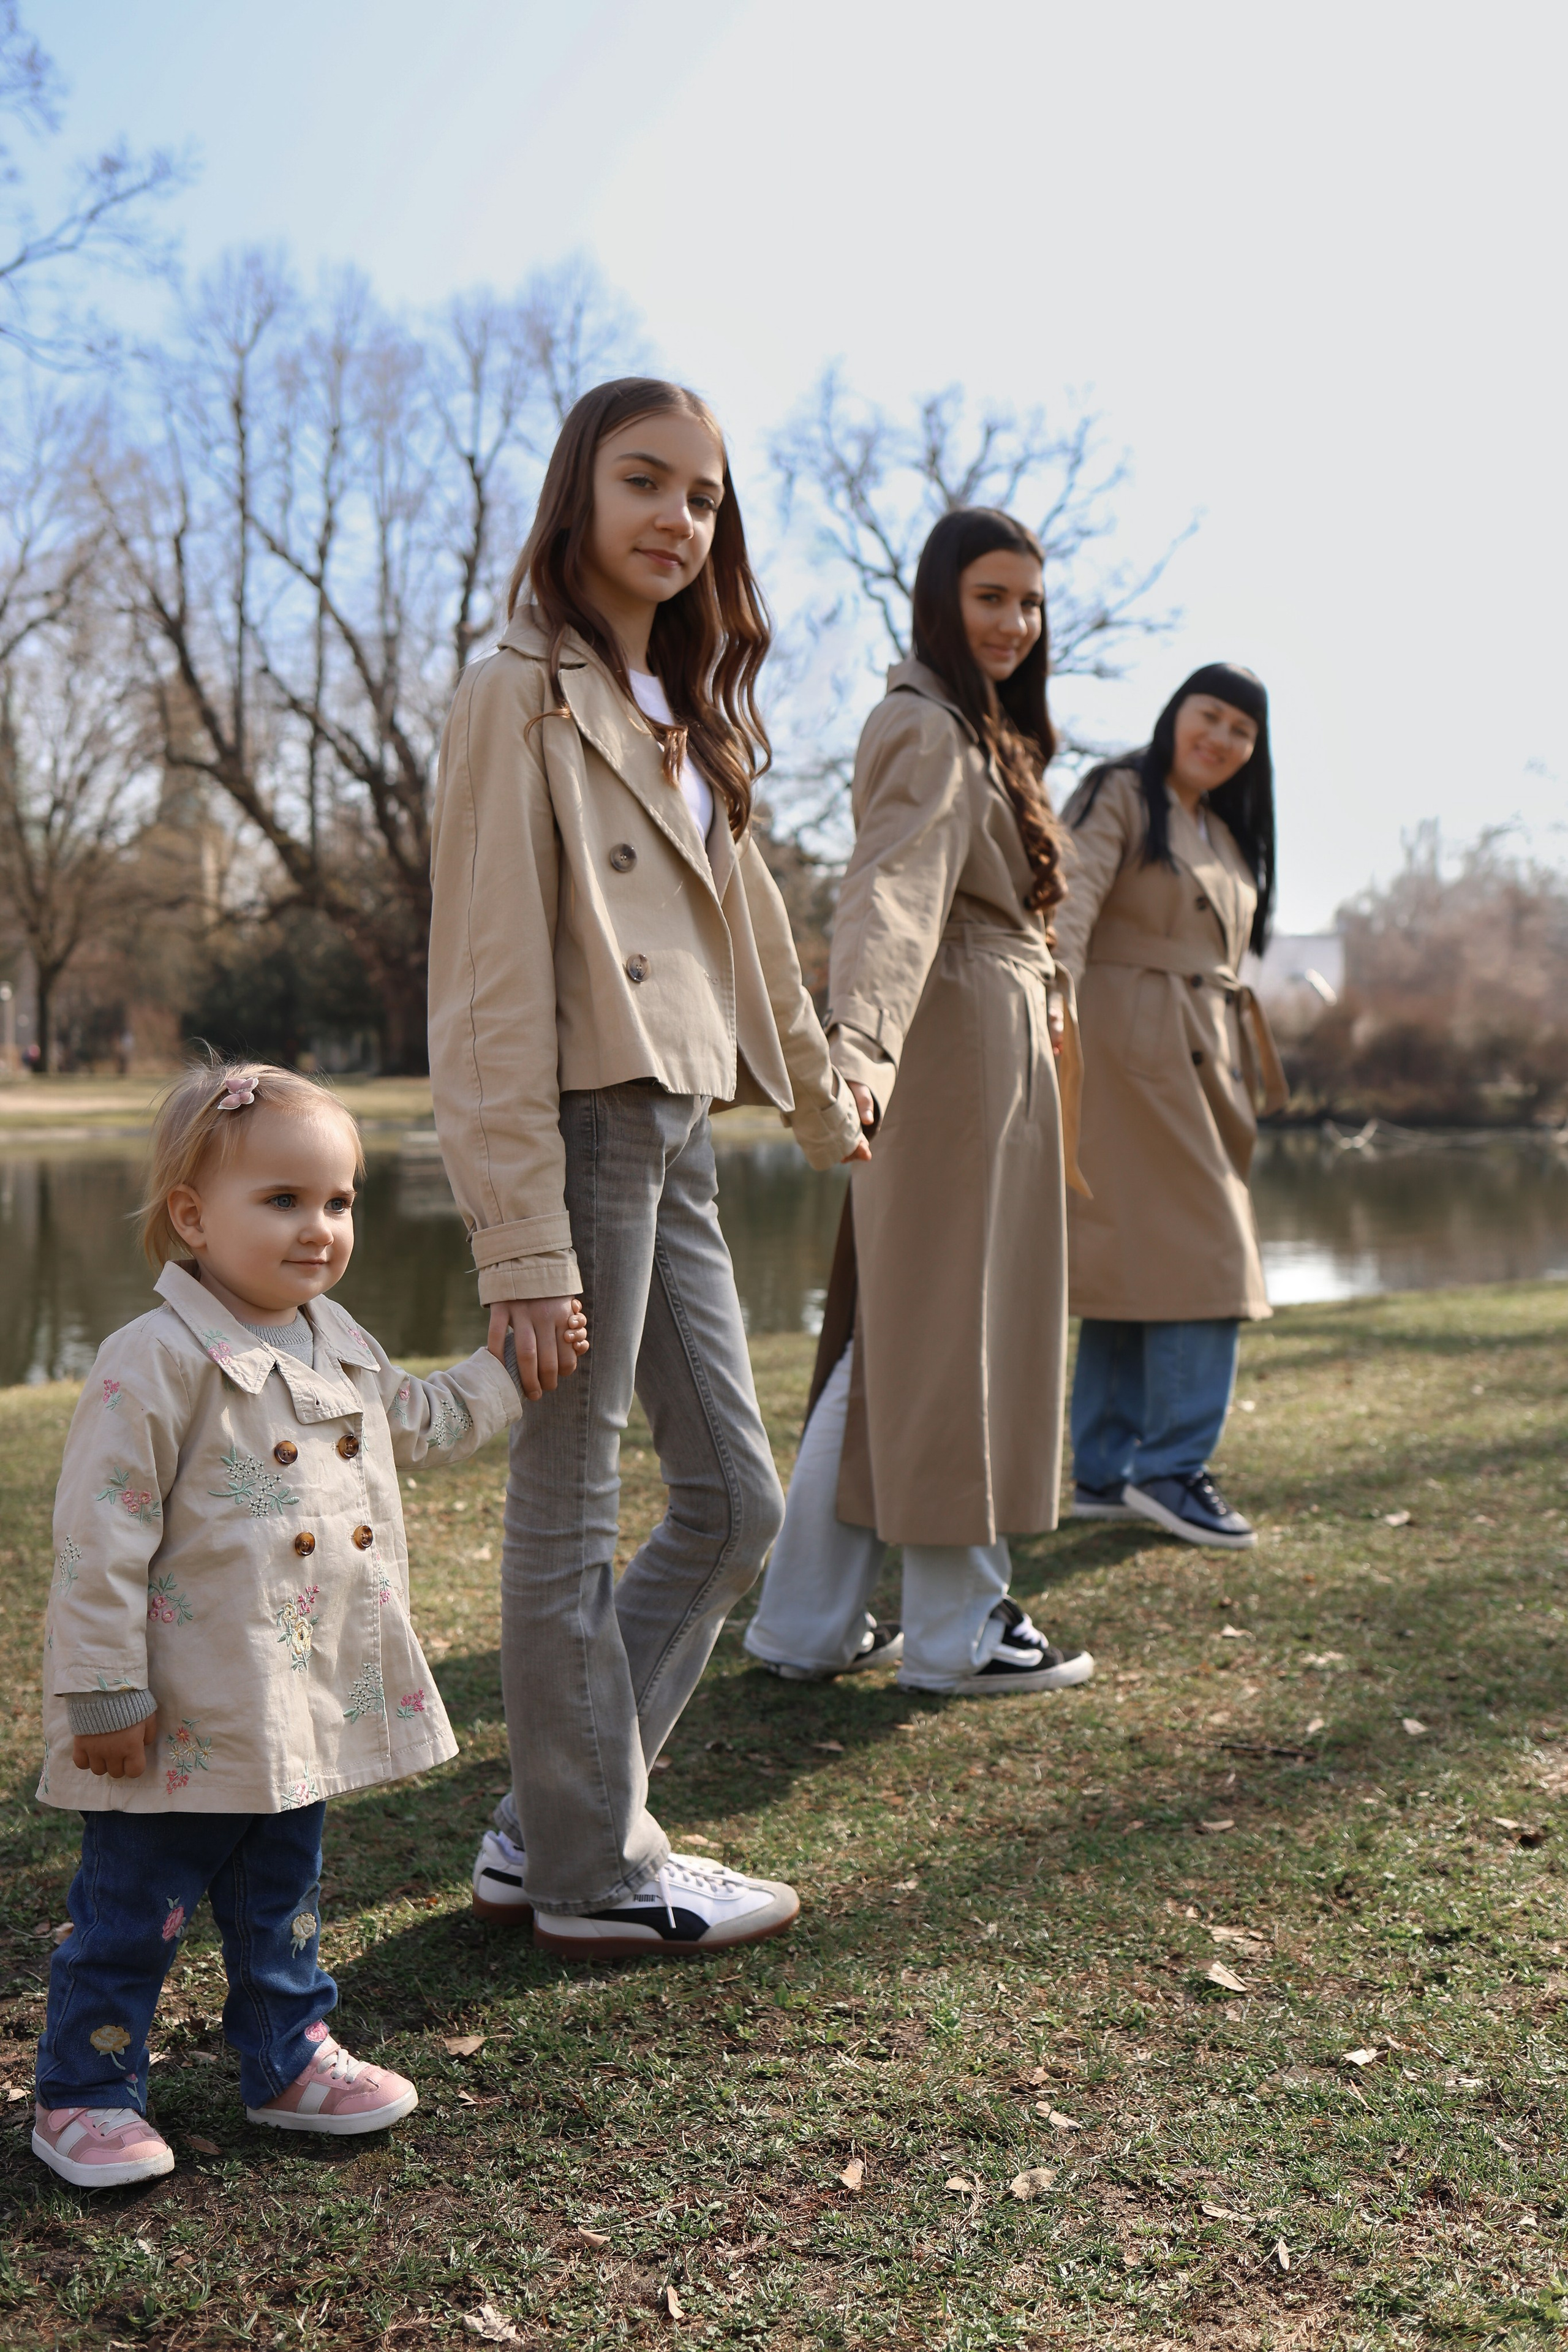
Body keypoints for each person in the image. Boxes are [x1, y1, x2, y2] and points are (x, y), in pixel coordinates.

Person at [427, 377, 867, 1958]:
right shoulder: (517, 694)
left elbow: (750, 941)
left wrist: (822, 1107)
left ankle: (544, 1813)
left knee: (739, 1501)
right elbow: (482, 988)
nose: (677, 519)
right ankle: (591, 1871)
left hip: (680, 1125)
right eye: (646, 482)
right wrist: (518, 1249)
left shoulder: (684, 711)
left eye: (704, 498)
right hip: (586, 1124)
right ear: (578, 494)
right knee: (569, 1500)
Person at [31, 1060, 529, 2190]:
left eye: (340, 1201)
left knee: (282, 1901)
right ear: (191, 1218)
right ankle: (86, 2091)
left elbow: (424, 1417)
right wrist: (105, 1694)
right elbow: (98, 1541)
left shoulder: (335, 1336)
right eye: (284, 1201)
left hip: (291, 1694)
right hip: (177, 1714)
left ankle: (288, 2055)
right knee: (130, 1914)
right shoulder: (153, 1362)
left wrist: (507, 1371)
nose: (320, 1228)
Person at [742, 508, 1095, 1697]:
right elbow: (889, 897)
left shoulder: (980, 729)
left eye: (1028, 604)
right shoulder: (925, 725)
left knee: (894, 1332)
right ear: (939, 601)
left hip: (982, 1044)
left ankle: (803, 1620)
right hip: (951, 1049)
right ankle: (956, 1630)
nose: (1013, 623)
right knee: (958, 1334)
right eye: (990, 597)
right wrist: (861, 1053)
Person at [1052, 664, 1287, 1550]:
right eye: (1210, 715)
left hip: (1204, 1051)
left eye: (1242, 730)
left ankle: (1106, 1472)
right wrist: (1053, 1001)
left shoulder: (1222, 829)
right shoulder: (1123, 791)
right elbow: (1068, 900)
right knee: (1210, 1249)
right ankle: (1172, 1466)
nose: (1221, 738)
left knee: (1133, 1257)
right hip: (1128, 1046)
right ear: (1175, 713)